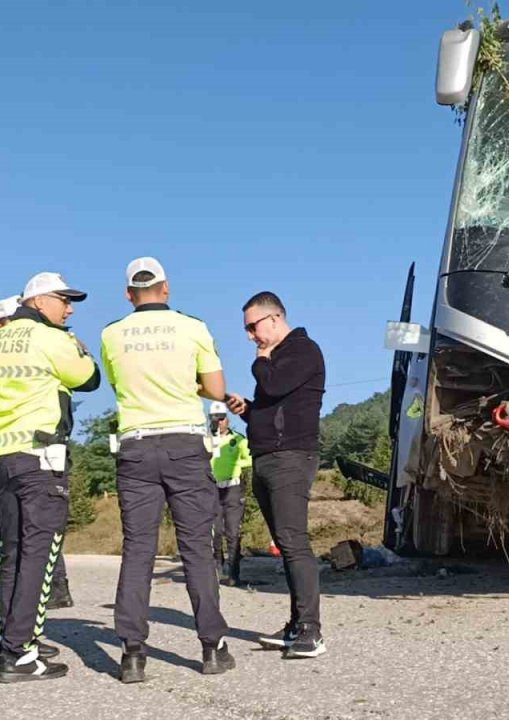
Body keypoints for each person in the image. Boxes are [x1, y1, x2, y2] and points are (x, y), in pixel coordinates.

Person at [0, 272, 100, 683]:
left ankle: (8, 645)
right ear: (39, 300)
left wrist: (0, 426)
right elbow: (90, 378)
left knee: (13, 553)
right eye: (64, 300)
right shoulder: (51, 338)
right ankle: (19, 653)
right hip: (41, 457)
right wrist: (77, 346)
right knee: (40, 555)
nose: (69, 309)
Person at [101, 257, 235, 683]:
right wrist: (186, 382)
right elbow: (215, 389)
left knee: (138, 550)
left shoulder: (111, 334)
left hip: (135, 446)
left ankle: (132, 654)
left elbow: (120, 385)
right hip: (183, 444)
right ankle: (212, 648)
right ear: (166, 288)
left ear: (128, 294)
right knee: (196, 546)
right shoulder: (191, 327)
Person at [0, 295, 69, 666]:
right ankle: (3, 638)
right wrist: (3, 421)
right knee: (5, 553)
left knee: (8, 552)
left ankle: (7, 636)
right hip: (6, 461)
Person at [225, 291, 326, 659]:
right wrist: (247, 411)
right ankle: (296, 624)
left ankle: (311, 631)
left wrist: (261, 362)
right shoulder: (274, 360)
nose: (251, 336)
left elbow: (274, 385)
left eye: (253, 327)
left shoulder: (302, 350)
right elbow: (272, 405)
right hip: (267, 456)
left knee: (294, 541)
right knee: (285, 544)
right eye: (247, 330)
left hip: (291, 459)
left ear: (274, 318)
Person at [208, 401, 251, 587]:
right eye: (215, 419)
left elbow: (249, 459)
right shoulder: (206, 440)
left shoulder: (239, 439)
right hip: (212, 489)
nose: (219, 422)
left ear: (227, 418)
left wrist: (235, 467)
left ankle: (234, 573)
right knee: (215, 532)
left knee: (232, 532)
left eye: (222, 418)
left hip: (233, 489)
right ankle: (217, 568)